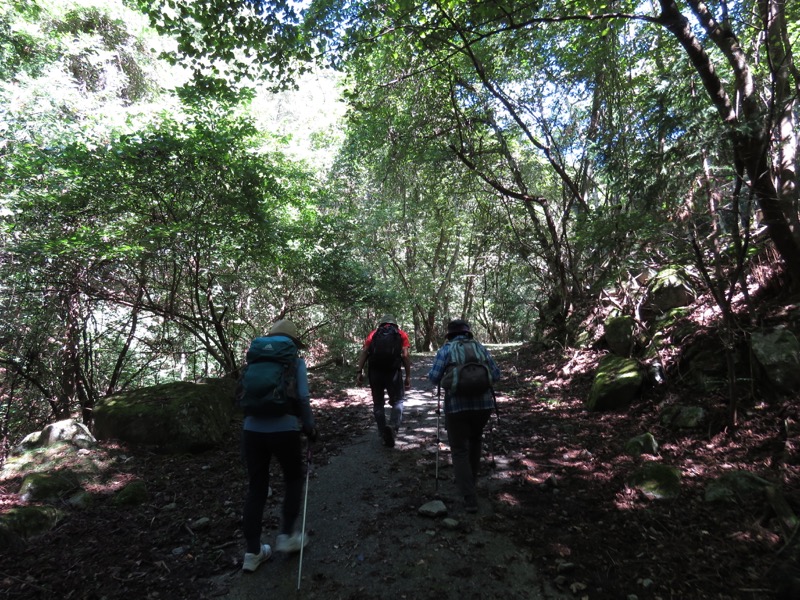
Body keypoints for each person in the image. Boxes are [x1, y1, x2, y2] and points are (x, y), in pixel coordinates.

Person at [238, 319, 318, 573]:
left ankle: (252, 552)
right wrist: (309, 426)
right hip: (284, 429)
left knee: (257, 489)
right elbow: (303, 397)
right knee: (293, 479)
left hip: (251, 430)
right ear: (293, 342)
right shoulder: (295, 361)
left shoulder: (255, 359)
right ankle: (286, 536)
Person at [427, 318, 500, 513]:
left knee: (459, 449)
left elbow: (434, 378)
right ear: (468, 333)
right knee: (475, 440)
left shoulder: (446, 350)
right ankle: (471, 482)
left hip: (456, 406)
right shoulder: (481, 348)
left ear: (449, 335)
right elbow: (496, 374)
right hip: (483, 405)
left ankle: (469, 497)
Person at [355, 315, 412, 447]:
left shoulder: (373, 334)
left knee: (378, 403)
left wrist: (359, 371)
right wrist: (408, 376)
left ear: (381, 324)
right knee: (398, 401)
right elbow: (405, 355)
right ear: (394, 324)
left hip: (375, 372)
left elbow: (365, 352)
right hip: (393, 372)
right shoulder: (401, 334)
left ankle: (382, 433)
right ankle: (392, 428)